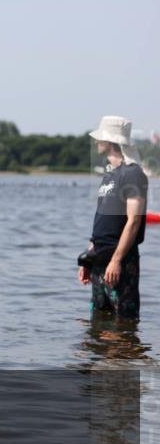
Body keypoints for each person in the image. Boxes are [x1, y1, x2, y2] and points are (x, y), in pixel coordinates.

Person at [78, 116, 148, 319]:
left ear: (109, 141)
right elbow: (102, 220)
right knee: (98, 323)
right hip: (100, 259)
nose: (96, 142)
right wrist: (88, 260)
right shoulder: (109, 175)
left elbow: (133, 221)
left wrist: (116, 260)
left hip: (121, 261)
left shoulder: (133, 174)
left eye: (100, 138)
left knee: (123, 322)